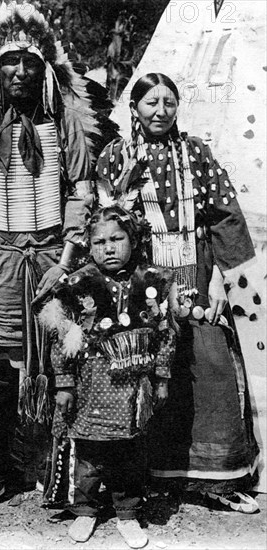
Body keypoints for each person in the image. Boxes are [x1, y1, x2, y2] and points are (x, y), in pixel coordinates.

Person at [0, 2, 99, 519]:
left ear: (47, 69)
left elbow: (81, 194)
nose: (21, 72)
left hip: (53, 259)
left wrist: (69, 260)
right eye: (10, 61)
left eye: (31, 62)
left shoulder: (65, 123)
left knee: (60, 365)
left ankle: (53, 470)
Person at [95, 73, 260, 513]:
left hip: (196, 268)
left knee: (210, 368)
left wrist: (220, 278)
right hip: (144, 282)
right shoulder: (116, 157)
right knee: (149, 374)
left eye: (169, 102)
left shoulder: (196, 153)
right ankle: (150, 476)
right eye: (151, 102)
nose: (161, 111)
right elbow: (107, 226)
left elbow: (225, 214)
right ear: (135, 108)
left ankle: (218, 479)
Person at [40, 205, 177, 548]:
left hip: (132, 388)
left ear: (135, 239)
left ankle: (127, 511)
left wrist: (160, 378)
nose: (109, 248)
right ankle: (85, 508)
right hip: (89, 384)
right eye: (99, 242)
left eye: (117, 239)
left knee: (129, 451)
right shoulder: (76, 284)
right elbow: (62, 337)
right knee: (87, 450)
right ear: (89, 245)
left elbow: (165, 334)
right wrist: (65, 383)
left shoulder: (153, 282)